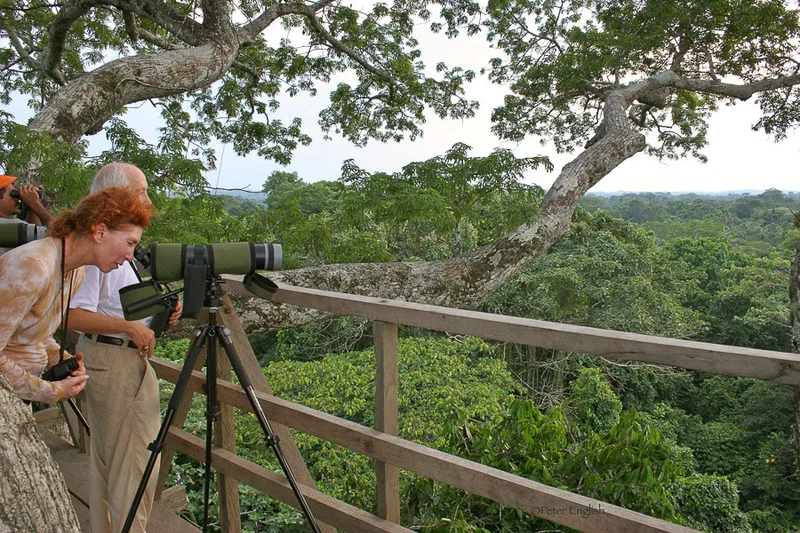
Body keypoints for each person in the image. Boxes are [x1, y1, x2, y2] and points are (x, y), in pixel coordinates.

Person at [69, 162, 181, 533]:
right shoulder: (96, 249)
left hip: (110, 356)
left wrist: (156, 315)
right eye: (141, 191)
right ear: (113, 197)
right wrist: (128, 327)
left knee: (109, 463)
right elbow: (73, 313)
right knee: (133, 466)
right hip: (115, 360)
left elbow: (113, 302)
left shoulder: (106, 241)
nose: (147, 200)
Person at [0, 187, 150, 405]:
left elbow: (31, 333)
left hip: (14, 398)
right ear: (100, 232)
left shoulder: (74, 271)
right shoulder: (34, 266)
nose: (129, 256)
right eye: (130, 243)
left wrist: (61, 359)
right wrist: (51, 391)